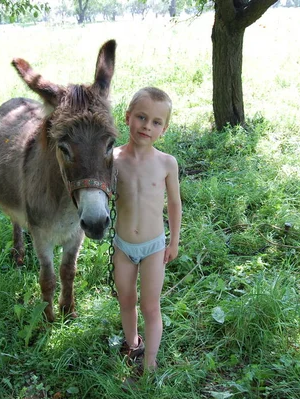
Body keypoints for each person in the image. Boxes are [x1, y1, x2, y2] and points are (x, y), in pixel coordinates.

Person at [112, 87, 182, 373]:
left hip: (154, 246)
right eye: (141, 117)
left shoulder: (166, 163)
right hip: (123, 246)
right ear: (128, 117)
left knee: (151, 306)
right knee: (127, 300)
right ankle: (133, 345)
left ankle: (150, 365)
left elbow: (175, 205)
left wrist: (174, 241)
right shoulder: (113, 159)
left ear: (163, 129)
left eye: (156, 122)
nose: (146, 126)